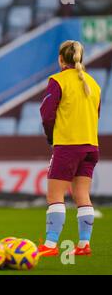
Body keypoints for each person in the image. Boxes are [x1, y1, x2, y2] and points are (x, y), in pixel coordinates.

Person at [38, 40, 101, 257]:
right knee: (82, 194)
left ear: (60, 59)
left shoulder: (58, 80)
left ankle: (50, 244)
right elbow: (96, 115)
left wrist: (50, 136)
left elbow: (47, 114)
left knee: (55, 196)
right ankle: (84, 245)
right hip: (91, 145)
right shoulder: (94, 84)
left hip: (68, 146)